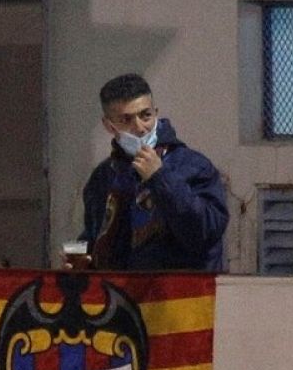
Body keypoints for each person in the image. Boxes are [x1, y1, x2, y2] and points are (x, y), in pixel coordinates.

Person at [76, 73, 227, 272]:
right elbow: (96, 236)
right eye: (125, 119)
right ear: (109, 125)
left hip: (180, 295)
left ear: (156, 113)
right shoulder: (104, 176)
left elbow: (206, 232)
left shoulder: (193, 166)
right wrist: (82, 265)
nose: (139, 128)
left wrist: (160, 177)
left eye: (145, 115)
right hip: (122, 295)